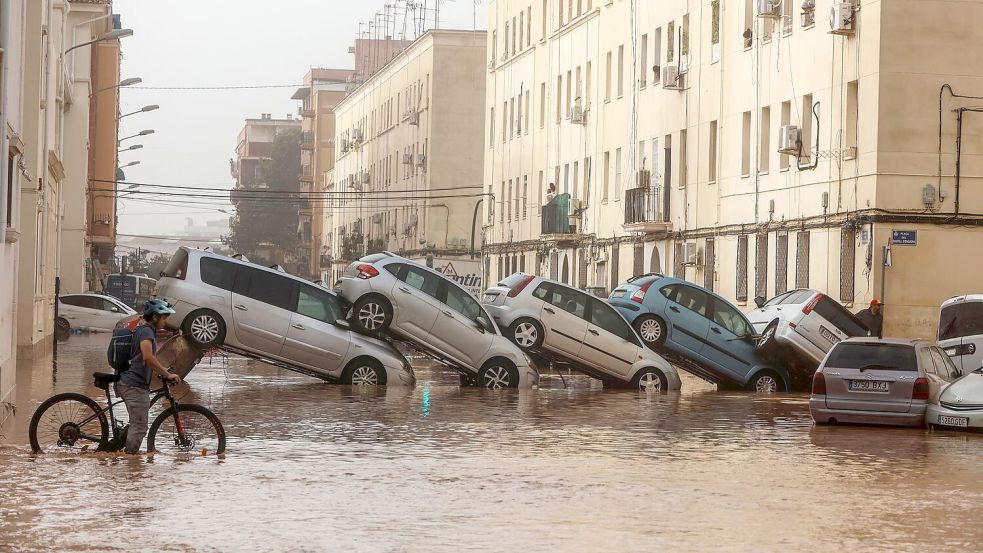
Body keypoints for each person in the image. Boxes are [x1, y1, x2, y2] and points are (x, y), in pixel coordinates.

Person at [116, 299, 181, 454]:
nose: (165, 321)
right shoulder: (146, 331)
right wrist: (166, 374)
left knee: (136, 423)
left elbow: (146, 358)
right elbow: (147, 356)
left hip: (131, 382)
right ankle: (130, 463)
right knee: (139, 426)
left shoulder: (143, 329)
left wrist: (162, 370)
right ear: (154, 317)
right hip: (134, 385)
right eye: (164, 318)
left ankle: (120, 450)